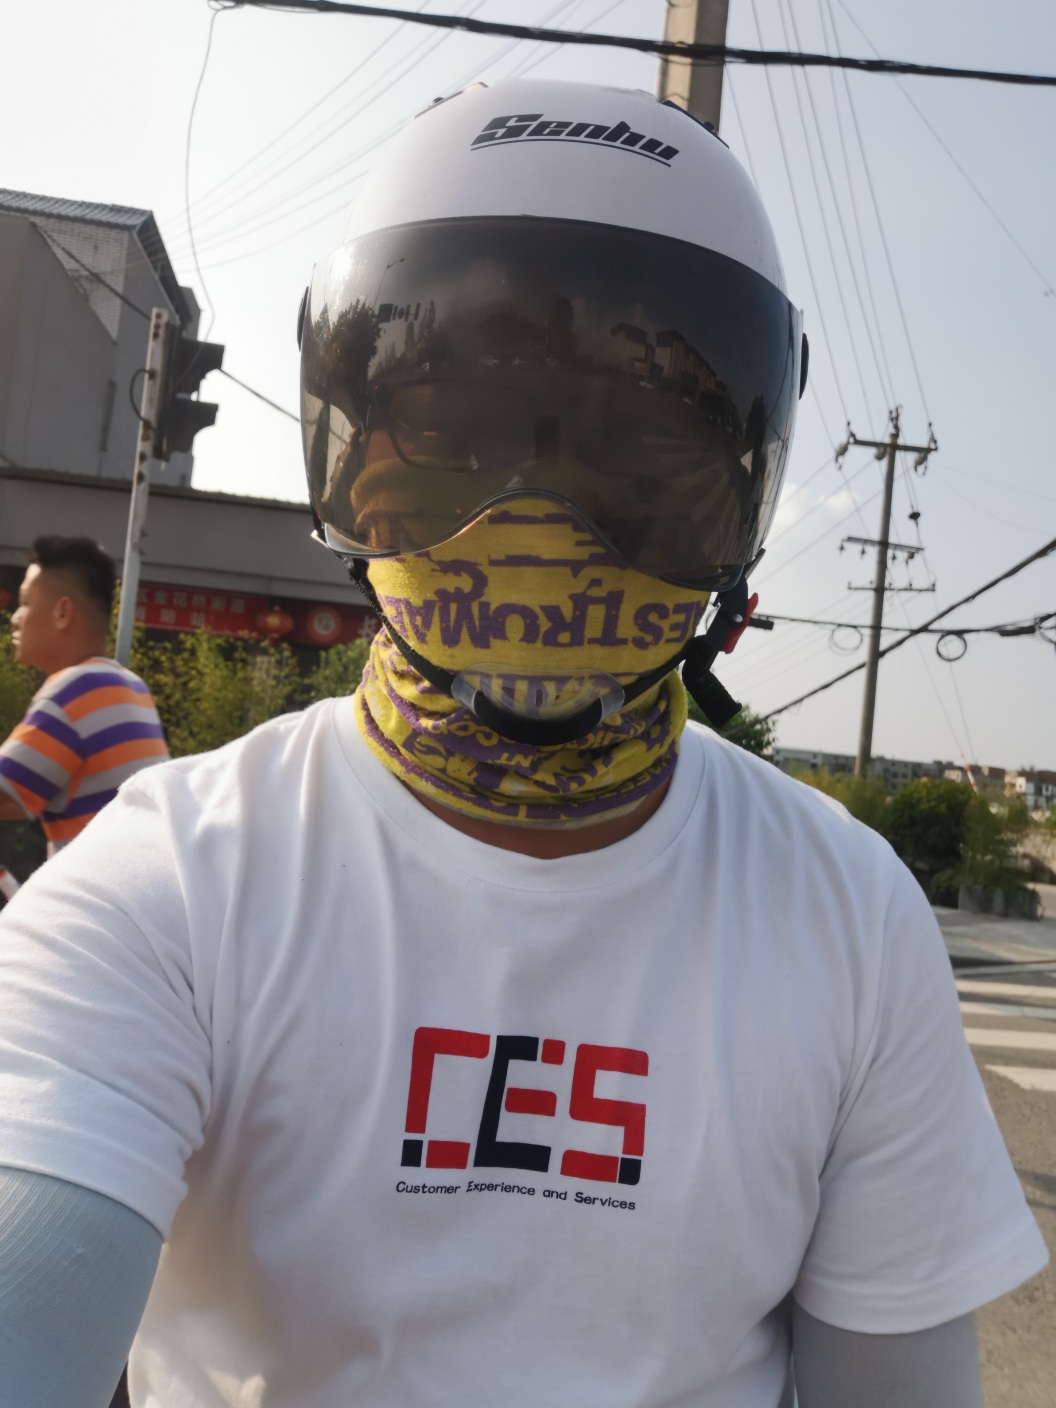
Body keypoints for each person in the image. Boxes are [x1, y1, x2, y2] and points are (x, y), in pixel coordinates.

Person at [0, 80, 1046, 1408]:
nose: (540, 511)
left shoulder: (848, 917)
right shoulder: (169, 886)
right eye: (459, 432)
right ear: (353, 452)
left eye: (636, 445)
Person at [0, 535, 169, 856]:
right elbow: (21, 793)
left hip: (99, 885)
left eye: (25, 602)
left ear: (63, 612)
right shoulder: (130, 685)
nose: (15, 618)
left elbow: (5, 791)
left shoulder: (77, 689)